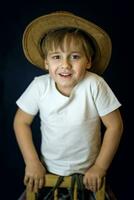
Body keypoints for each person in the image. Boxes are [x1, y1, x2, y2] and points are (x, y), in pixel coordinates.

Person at [13, 11, 123, 199]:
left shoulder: (94, 84)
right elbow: (20, 122)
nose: (65, 64)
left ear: (88, 61)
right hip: (48, 171)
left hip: (88, 175)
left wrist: (100, 166)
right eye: (56, 57)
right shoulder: (40, 85)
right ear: (46, 62)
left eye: (74, 57)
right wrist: (32, 162)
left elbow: (115, 125)